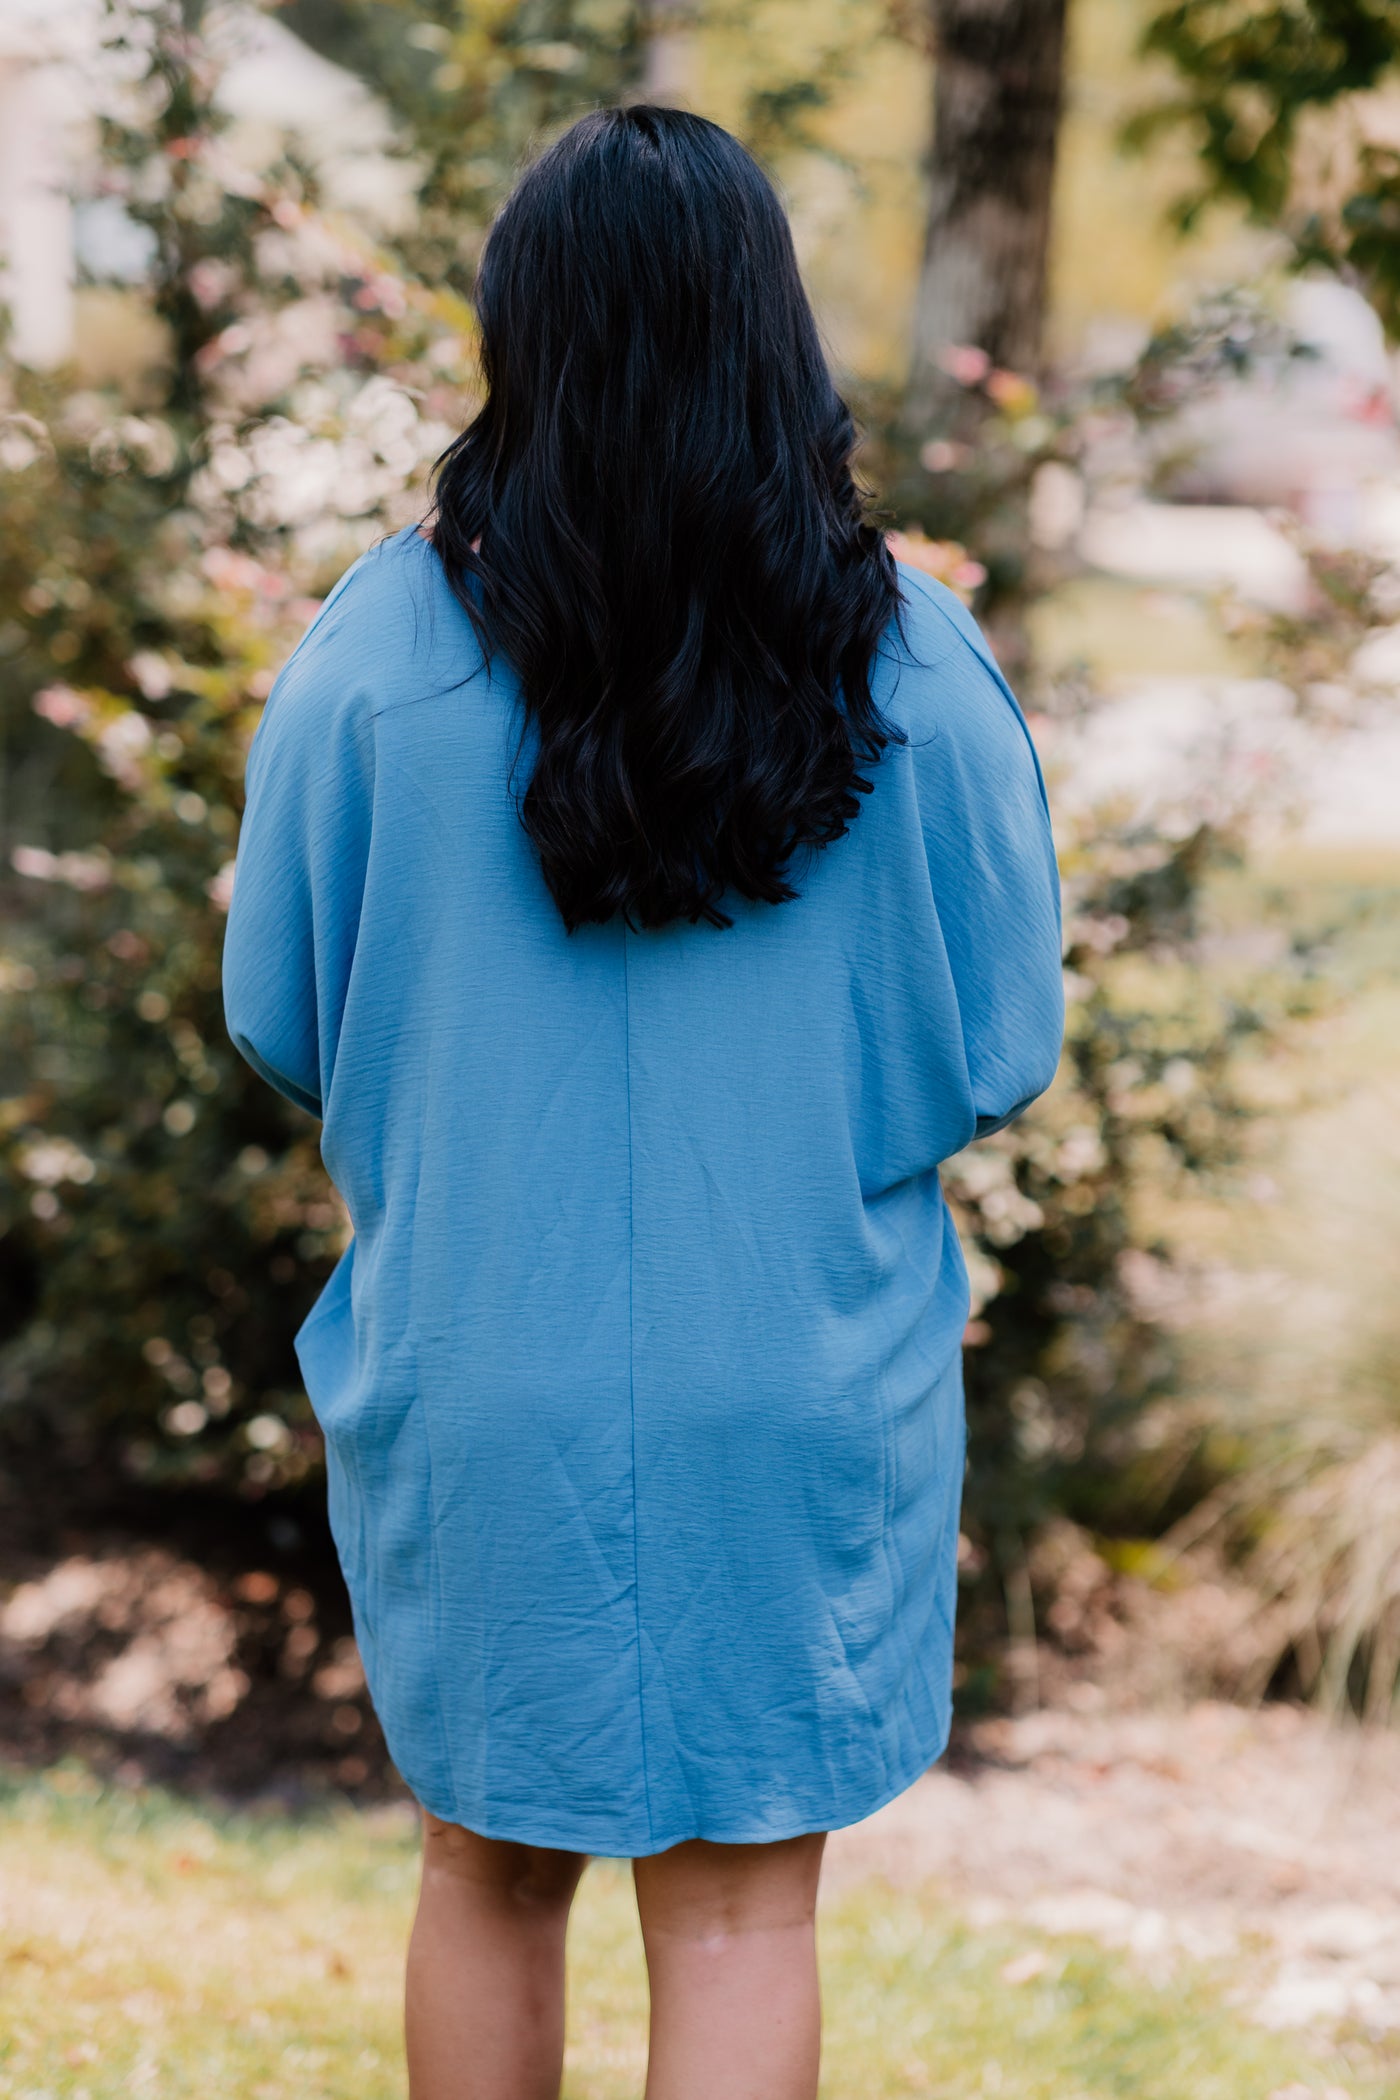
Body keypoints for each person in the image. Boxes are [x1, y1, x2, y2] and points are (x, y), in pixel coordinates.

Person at [222, 103, 1063, 2100]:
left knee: (485, 1879)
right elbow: (998, 1041)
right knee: (744, 1912)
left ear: (526, 328)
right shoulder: (913, 665)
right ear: (770, 330)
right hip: (793, 1364)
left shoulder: (368, 659)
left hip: (478, 1354)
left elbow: (282, 1008)